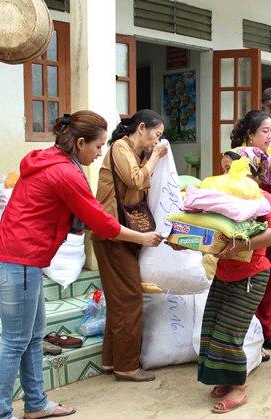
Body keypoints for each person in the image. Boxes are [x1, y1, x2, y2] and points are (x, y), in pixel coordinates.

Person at [0, 111, 163, 419]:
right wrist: (142, 237)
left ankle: (36, 404)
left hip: (20, 260)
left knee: (33, 337)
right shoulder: (65, 173)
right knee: (15, 342)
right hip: (20, 260)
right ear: (80, 142)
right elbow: (99, 220)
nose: (99, 154)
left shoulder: (49, 160)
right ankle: (1, 414)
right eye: (97, 147)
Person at [171, 153, 271, 413]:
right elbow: (209, 234)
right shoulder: (219, 199)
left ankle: (240, 387)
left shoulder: (262, 200)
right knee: (211, 327)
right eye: (222, 170)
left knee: (229, 332)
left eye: (232, 170)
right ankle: (225, 379)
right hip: (224, 274)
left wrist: (243, 245)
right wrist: (183, 243)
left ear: (251, 173)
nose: (226, 176)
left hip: (251, 276)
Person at [92, 109, 169, 382]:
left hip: (123, 234)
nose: (155, 142)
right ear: (142, 129)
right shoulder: (119, 149)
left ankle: (111, 362)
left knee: (119, 300)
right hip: (112, 236)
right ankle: (127, 366)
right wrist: (156, 158)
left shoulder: (136, 154)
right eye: (155, 135)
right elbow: (136, 179)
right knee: (130, 298)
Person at [230, 110, 271, 352]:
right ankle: (250, 337)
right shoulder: (236, 158)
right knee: (248, 286)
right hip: (247, 229)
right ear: (250, 134)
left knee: (269, 281)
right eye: (264, 131)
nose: (269, 136)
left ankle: (265, 330)